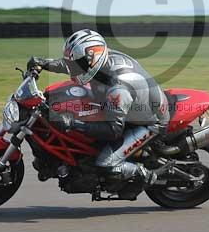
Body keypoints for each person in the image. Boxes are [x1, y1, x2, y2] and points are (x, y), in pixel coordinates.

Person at [27, 29, 170, 185]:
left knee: (106, 163)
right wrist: (44, 63)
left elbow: (113, 131)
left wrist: (72, 123)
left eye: (79, 64)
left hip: (149, 123)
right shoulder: (100, 59)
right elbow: (72, 65)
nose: (74, 68)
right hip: (127, 108)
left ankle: (147, 176)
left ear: (93, 59)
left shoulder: (117, 87)